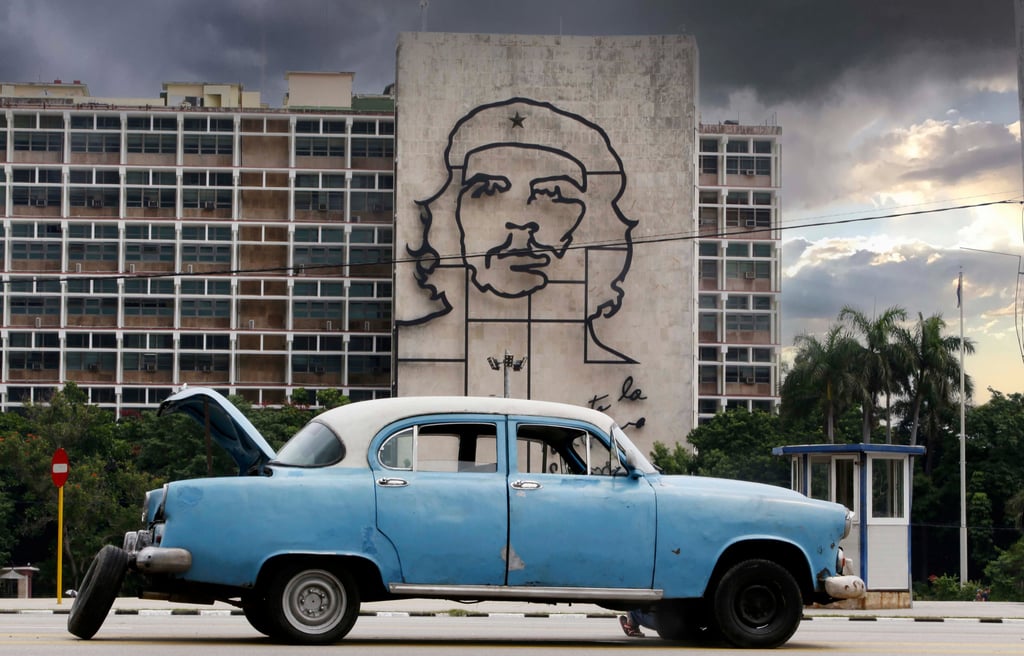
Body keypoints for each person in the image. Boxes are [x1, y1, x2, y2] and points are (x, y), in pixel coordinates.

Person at [397, 97, 638, 365]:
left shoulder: (611, 371)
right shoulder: (412, 356)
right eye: (488, 191)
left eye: (552, 194)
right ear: (449, 215)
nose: (520, 221)